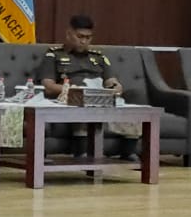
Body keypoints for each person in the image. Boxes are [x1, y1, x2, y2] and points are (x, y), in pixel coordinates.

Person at [38, 14, 132, 159]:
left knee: (131, 110)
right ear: (69, 34)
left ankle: (128, 153)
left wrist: (116, 87)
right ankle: (82, 153)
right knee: (81, 108)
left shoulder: (98, 56)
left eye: (88, 37)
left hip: (99, 98)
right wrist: (75, 91)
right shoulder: (54, 54)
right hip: (71, 99)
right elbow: (48, 86)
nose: (84, 41)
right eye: (80, 36)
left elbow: (111, 81)